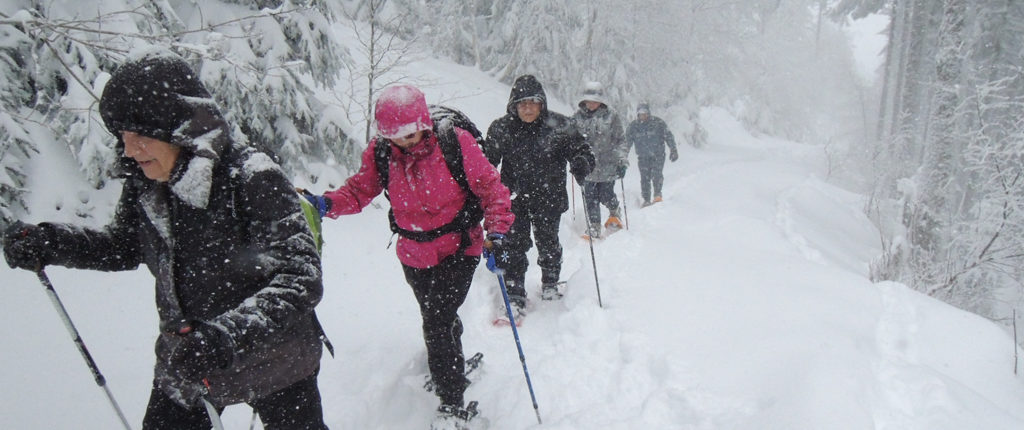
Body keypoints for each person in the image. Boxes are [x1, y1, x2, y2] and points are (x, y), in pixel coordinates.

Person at [1, 49, 330, 429]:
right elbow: (122, 246)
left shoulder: (252, 177)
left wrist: (224, 337)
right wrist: (51, 242)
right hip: (187, 360)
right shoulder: (148, 185)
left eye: (140, 135)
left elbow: (301, 278)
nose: (129, 149)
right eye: (122, 135)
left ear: (179, 129)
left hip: (276, 359)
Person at [303, 84, 513, 430]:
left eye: (410, 133)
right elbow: (360, 190)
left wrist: (499, 233)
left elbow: (492, 189)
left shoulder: (454, 142)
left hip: (460, 246)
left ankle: (451, 400)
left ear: (423, 123)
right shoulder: (382, 153)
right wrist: (327, 204)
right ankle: (452, 363)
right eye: (395, 136)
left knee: (435, 321)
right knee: (438, 317)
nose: (405, 142)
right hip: (413, 253)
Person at [482, 74, 595, 310]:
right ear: (514, 105)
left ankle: (550, 282)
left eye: (533, 102)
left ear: (542, 103)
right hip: (513, 198)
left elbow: (582, 150)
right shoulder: (502, 128)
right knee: (514, 243)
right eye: (522, 103)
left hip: (549, 197)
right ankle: (515, 292)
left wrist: (582, 161)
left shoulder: (560, 126)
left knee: (548, 241)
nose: (528, 108)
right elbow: (486, 164)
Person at [573, 81, 629, 239]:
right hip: (587, 166)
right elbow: (570, 139)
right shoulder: (577, 118)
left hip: (608, 164)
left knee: (606, 194)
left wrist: (622, 160)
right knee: (590, 196)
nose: (591, 104)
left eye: (595, 100)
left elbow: (620, 140)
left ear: (601, 100)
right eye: (588, 100)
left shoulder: (612, 116)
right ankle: (594, 226)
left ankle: (614, 211)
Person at [625, 103, 678, 207]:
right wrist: (623, 155)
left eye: (645, 113)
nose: (643, 116)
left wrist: (673, 149)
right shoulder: (633, 127)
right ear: (637, 114)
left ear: (648, 113)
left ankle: (657, 195)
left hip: (658, 154)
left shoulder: (658, 123)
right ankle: (646, 199)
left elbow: (668, 136)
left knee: (657, 174)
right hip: (642, 156)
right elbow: (627, 143)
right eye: (640, 114)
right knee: (644, 178)